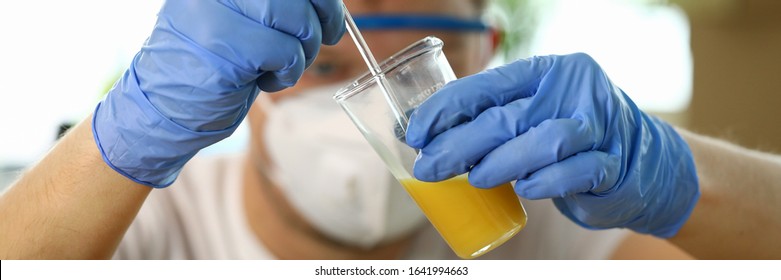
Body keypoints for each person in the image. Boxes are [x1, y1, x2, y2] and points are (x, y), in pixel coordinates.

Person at [0, 0, 777, 260]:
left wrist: (678, 174)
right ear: (245, 74)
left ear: (488, 49)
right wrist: (122, 139)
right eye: (325, 70)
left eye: (414, 67)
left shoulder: (559, 220)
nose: (375, 121)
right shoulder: (145, 227)